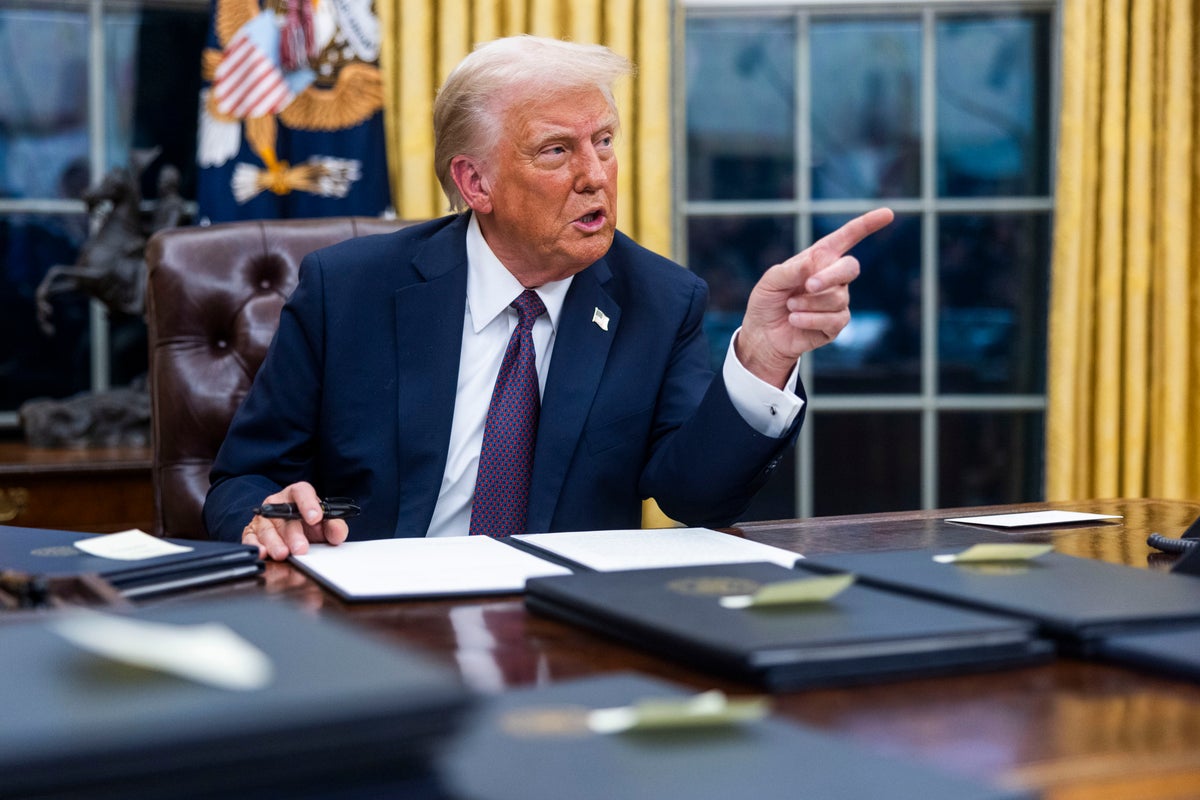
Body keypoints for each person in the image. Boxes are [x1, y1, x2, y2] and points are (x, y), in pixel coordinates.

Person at [205, 35, 894, 561]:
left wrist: (762, 356)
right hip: (375, 624)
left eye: (603, 142)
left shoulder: (658, 299)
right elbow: (244, 476)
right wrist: (264, 511)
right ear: (475, 183)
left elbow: (696, 497)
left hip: (563, 631)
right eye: (557, 151)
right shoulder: (349, 289)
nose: (596, 175)